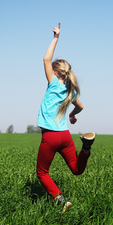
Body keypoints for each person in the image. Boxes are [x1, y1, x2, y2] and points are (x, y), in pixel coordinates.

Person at [36, 22, 95, 213]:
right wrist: (72, 115)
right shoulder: (70, 90)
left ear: (54, 72)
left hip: (51, 137)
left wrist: (55, 37)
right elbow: (81, 106)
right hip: (65, 137)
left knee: (42, 172)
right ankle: (86, 148)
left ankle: (61, 201)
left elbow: (46, 59)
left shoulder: (53, 83)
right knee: (77, 170)